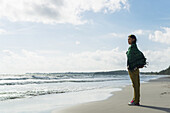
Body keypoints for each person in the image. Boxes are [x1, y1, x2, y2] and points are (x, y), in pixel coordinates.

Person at [126, 34, 146, 106]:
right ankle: (135, 100)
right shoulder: (132, 48)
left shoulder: (133, 48)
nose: (128, 40)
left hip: (133, 69)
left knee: (135, 85)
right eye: (128, 39)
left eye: (129, 39)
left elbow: (140, 55)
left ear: (133, 39)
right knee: (136, 85)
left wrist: (135, 66)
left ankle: (136, 101)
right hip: (133, 68)